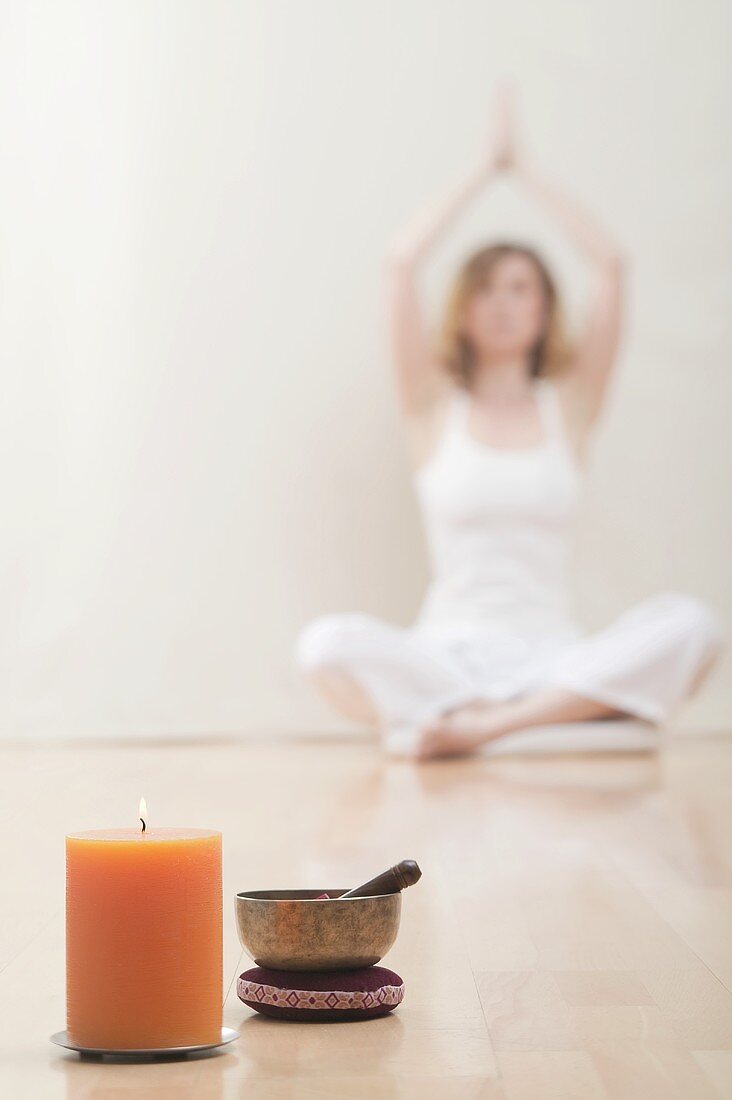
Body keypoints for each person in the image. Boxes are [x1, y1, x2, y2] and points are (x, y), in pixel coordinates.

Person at [296, 90, 723, 760]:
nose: (502, 302)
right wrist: (481, 170)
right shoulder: (433, 408)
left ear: (545, 309)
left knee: (696, 626)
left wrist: (523, 170)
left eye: (520, 288)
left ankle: (481, 731)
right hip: (446, 660)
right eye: (487, 288)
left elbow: (611, 264)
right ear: (463, 309)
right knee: (324, 646)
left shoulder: (570, 407)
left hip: (554, 659)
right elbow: (401, 263)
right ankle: (543, 724)